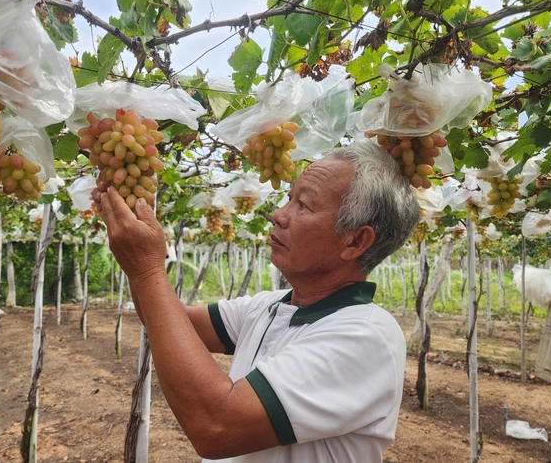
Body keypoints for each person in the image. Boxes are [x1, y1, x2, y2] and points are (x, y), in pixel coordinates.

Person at [93, 141, 421, 463]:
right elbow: (163, 318)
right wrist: (136, 249)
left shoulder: (365, 337)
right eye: (288, 198)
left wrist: (147, 267)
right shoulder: (271, 306)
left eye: (303, 205)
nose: (278, 215)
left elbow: (216, 426)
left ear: (355, 240)